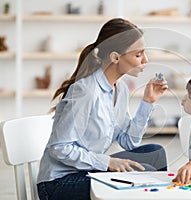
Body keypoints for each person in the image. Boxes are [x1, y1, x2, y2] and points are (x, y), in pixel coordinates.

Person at [37, 18, 168, 200]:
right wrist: (107, 162)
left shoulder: (120, 89)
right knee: (147, 173)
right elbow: (60, 147)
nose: (146, 60)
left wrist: (148, 102)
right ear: (115, 57)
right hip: (59, 183)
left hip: (88, 171)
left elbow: (129, 142)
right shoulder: (86, 90)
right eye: (138, 54)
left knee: (155, 154)